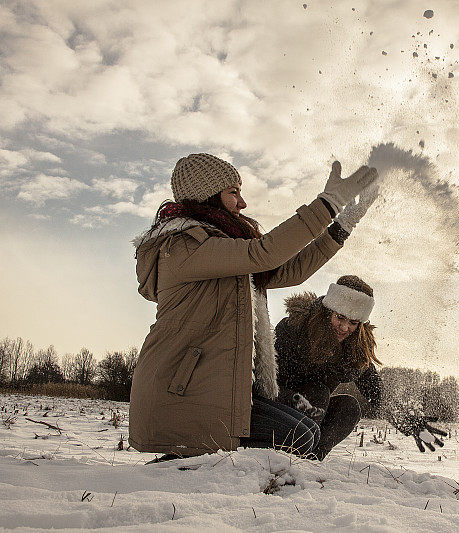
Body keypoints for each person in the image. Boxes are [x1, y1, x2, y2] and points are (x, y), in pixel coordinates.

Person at [129, 153, 379, 460]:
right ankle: (197, 466)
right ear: (205, 196)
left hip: (216, 388)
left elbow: (291, 270)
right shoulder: (184, 246)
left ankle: (234, 465)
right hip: (182, 390)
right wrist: (328, 203)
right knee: (300, 437)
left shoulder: (223, 250)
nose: (243, 203)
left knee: (308, 434)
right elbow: (266, 253)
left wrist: (342, 226)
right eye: (233, 192)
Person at [274, 275, 447, 459]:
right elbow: (263, 381)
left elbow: (376, 392)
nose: (344, 327)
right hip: (275, 410)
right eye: (340, 317)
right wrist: (291, 399)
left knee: (349, 407)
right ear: (328, 311)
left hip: (313, 415)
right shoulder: (293, 329)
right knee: (319, 392)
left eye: (353, 323)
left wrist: (406, 419)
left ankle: (310, 460)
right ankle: (286, 458)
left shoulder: (354, 350)